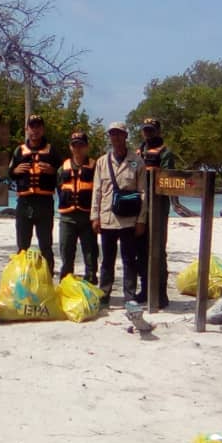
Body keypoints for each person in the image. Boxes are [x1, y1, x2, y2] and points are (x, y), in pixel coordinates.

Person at [90, 122, 147, 308]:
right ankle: (104, 293)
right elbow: (97, 191)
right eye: (113, 134)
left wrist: (141, 220)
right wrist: (94, 216)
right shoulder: (101, 162)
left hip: (129, 220)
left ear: (126, 136)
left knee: (129, 260)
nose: (116, 138)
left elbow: (143, 192)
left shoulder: (136, 161)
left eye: (119, 134)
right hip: (107, 219)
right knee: (107, 260)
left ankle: (129, 295)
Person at [8, 113, 62, 274]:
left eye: (38, 126)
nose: (35, 130)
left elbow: (62, 175)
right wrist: (15, 170)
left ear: (43, 129)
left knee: (45, 244)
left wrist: (52, 171)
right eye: (32, 127)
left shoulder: (52, 151)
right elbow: (10, 173)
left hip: (44, 202)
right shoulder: (19, 151)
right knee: (22, 245)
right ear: (27, 129)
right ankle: (20, 278)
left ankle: (48, 278)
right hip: (24, 203)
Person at [136, 117, 175, 308]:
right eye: (145, 130)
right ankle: (145, 290)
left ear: (158, 131)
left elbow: (169, 180)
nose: (148, 133)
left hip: (158, 207)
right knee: (141, 251)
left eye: (151, 130)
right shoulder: (136, 152)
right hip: (138, 207)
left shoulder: (166, 153)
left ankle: (161, 293)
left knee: (158, 250)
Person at [57, 131, 99, 284]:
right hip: (67, 218)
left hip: (88, 218)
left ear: (87, 147)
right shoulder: (63, 168)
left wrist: (97, 217)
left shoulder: (95, 167)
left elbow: (100, 191)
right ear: (70, 147)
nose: (78, 149)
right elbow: (59, 187)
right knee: (66, 255)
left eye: (81, 145)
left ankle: (91, 284)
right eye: (75, 145)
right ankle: (66, 285)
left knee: (90, 255)